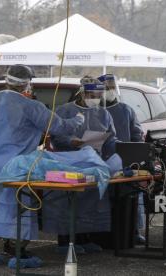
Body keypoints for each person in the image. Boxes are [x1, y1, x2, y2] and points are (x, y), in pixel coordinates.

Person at [0, 64, 84, 268]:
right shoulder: (30, 106)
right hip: (20, 168)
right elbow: (57, 126)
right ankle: (18, 252)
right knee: (21, 207)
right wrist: (77, 120)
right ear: (27, 84)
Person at [44, 76, 117, 254]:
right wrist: (72, 142)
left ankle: (85, 239)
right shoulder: (65, 111)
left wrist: (113, 150)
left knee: (89, 203)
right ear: (83, 93)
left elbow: (111, 137)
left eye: (100, 94)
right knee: (67, 202)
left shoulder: (103, 113)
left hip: (93, 163)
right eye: (93, 94)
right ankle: (64, 241)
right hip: (70, 162)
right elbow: (56, 135)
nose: (97, 98)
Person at [98, 73, 146, 243]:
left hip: (124, 162)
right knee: (104, 200)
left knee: (131, 196)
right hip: (101, 162)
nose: (110, 90)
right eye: (106, 87)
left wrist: (136, 154)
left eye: (112, 86)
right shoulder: (96, 111)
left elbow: (137, 135)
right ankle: (104, 233)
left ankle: (133, 230)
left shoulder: (126, 110)